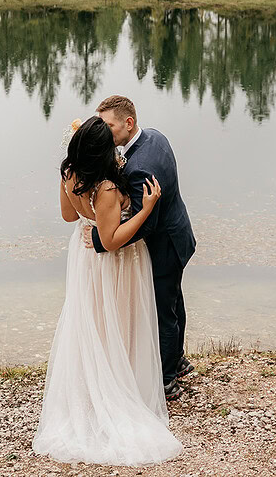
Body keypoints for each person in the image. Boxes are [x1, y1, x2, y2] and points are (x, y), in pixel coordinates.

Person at [32, 116, 183, 466]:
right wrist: (144, 210)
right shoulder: (107, 188)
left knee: (94, 323)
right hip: (114, 264)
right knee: (120, 322)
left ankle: (93, 387)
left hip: (84, 261)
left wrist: (91, 220)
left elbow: (69, 217)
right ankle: (120, 391)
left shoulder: (69, 173)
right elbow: (113, 241)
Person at [91, 95, 197, 401]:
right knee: (174, 302)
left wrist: (101, 240)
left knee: (163, 312)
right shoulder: (154, 137)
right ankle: (177, 359)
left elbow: (145, 223)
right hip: (179, 234)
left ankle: (166, 380)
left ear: (128, 123)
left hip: (163, 244)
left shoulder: (140, 166)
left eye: (108, 125)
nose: (105, 131)